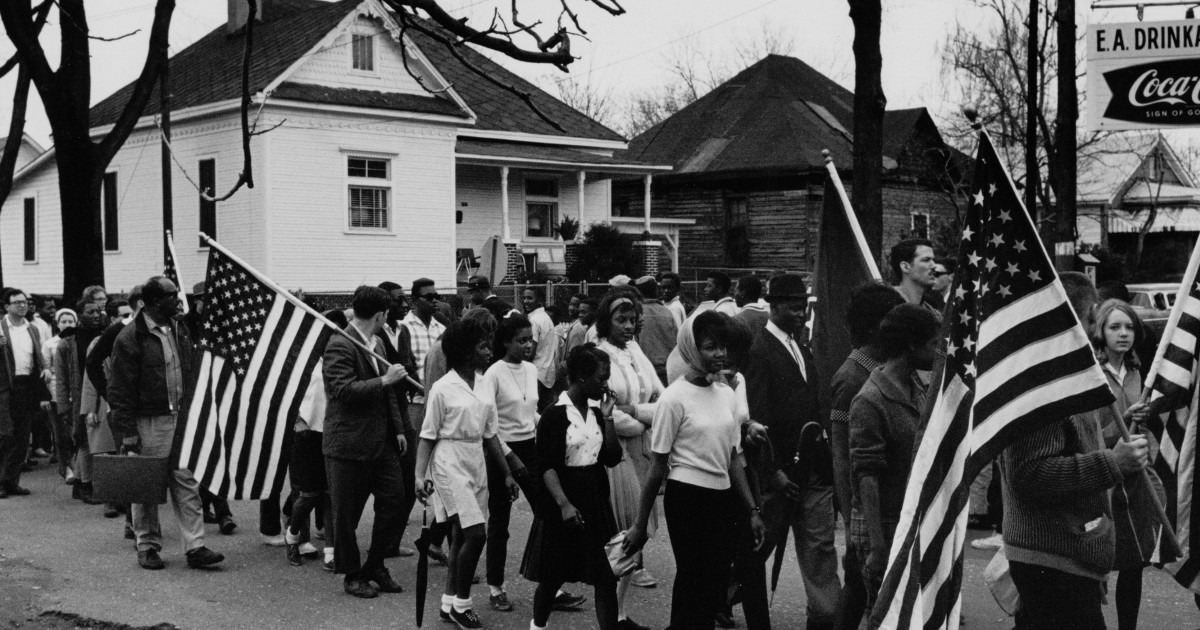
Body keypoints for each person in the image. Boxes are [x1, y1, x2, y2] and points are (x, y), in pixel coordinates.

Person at [1000, 272, 1149, 630]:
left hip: (1065, 556)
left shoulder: (1067, 375)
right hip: (1051, 561)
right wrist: (1113, 462)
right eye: (1089, 321)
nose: (1093, 332)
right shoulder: (1045, 382)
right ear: (1066, 320)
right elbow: (1030, 474)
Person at [625, 311, 766, 630]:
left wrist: (752, 510)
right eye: (711, 347)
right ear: (691, 348)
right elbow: (657, 468)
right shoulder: (673, 399)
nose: (721, 354)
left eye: (723, 347)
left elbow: (732, 459)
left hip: (722, 499)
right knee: (693, 580)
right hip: (686, 500)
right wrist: (638, 525)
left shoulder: (727, 395)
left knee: (716, 584)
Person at [744, 273, 840, 630]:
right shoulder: (759, 350)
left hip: (813, 470)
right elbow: (757, 419)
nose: (800, 313)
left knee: (820, 548)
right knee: (761, 547)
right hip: (779, 475)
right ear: (773, 306)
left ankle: (825, 616)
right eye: (792, 307)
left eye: (803, 306)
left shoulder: (802, 348)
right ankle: (719, 597)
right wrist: (772, 472)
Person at [108, 277, 224, 571]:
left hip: (180, 417)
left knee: (186, 480)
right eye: (173, 296)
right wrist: (128, 434)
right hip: (149, 420)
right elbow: (119, 390)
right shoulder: (131, 337)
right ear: (155, 302)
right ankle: (147, 545)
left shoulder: (178, 327)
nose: (179, 300)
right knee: (146, 483)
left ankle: (195, 546)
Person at [415, 319, 520, 630]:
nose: (489, 350)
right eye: (482, 346)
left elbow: (491, 434)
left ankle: (448, 603)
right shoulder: (442, 388)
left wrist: (507, 473)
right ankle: (463, 605)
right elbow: (428, 435)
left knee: (462, 534)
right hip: (448, 461)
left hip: (476, 459)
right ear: (463, 351)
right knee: (476, 533)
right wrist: (419, 476)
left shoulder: (485, 382)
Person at [521, 344, 623, 630]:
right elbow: (547, 466)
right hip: (564, 500)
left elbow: (612, 458)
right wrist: (564, 504)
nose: (606, 384)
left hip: (594, 497)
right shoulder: (555, 414)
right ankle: (538, 626)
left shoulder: (595, 411)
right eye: (602, 377)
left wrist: (608, 416)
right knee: (553, 575)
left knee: (606, 576)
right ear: (580, 376)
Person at [322, 285, 410, 598]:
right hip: (347, 444)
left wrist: (398, 428)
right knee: (346, 515)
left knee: (395, 500)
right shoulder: (339, 345)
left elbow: (389, 394)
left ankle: (375, 563)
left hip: (382, 441)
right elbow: (341, 391)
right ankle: (351, 573)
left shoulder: (378, 344)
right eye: (387, 314)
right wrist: (385, 379)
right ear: (379, 315)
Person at [849, 304, 939, 608]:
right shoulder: (869, 401)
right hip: (882, 524)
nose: (938, 351)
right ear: (911, 345)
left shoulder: (915, 385)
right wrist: (877, 547)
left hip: (908, 516)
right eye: (934, 344)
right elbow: (866, 476)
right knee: (887, 614)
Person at [828, 282, 903, 630]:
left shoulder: (883, 368)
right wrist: (849, 519)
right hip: (863, 505)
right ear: (875, 327)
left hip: (886, 500)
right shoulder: (852, 377)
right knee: (859, 586)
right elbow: (842, 458)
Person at [1092, 299, 1165, 630]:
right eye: (1114, 327)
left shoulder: (1138, 372)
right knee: (1096, 564)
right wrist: (1123, 419)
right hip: (1101, 479)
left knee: (1134, 564)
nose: (1123, 334)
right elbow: (1090, 437)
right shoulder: (1092, 374)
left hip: (1136, 481)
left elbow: (1147, 432)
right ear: (1100, 331)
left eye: (1129, 327)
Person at [596, 288, 664, 623]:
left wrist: (637, 411)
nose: (628, 325)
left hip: (641, 450)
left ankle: (620, 612)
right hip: (615, 453)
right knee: (623, 529)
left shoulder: (635, 350)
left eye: (632, 319)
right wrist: (640, 421)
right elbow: (606, 409)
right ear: (605, 321)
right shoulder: (598, 353)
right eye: (621, 319)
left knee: (639, 527)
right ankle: (615, 613)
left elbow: (661, 397)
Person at [480, 313, 542, 611]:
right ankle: (495, 587)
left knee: (547, 512)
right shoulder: (493, 373)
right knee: (500, 522)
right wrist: (510, 458)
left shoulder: (531, 369)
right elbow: (488, 425)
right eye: (521, 340)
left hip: (531, 447)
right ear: (506, 342)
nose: (528, 345)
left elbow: (532, 413)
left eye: (531, 339)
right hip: (501, 453)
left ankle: (548, 584)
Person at [376, 280, 420, 558]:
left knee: (410, 479)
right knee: (380, 485)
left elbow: (410, 365)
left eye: (405, 300)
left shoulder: (402, 331)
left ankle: (391, 542)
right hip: (380, 412)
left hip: (403, 408)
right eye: (398, 300)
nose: (404, 305)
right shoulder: (374, 334)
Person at [54, 301, 106, 506]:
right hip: (78, 396)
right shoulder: (67, 343)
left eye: (98, 311)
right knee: (83, 440)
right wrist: (63, 405)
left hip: (99, 392)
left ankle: (78, 481)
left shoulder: (105, 334)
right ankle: (86, 485)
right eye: (89, 312)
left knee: (95, 440)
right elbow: (61, 379)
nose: (95, 315)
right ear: (79, 315)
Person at [0, 288, 49, 499]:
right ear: (6, 306)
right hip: (4, 387)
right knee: (5, 435)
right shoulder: (1, 328)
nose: (23, 305)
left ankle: (11, 481)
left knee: (22, 436)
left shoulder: (33, 328)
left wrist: (44, 368)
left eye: (24, 302)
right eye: (17, 302)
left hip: (27, 386)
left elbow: (36, 355)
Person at [43, 307, 77, 482]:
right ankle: (66, 469)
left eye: (70, 321)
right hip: (56, 393)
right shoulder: (50, 344)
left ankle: (78, 466)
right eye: (63, 321)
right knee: (61, 435)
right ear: (57, 324)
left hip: (76, 393)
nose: (67, 324)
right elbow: (44, 368)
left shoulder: (79, 341)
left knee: (76, 434)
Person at [403, 278, 447, 401]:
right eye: (429, 297)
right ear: (415, 300)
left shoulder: (442, 330)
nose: (434, 300)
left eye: (436, 296)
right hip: (415, 399)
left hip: (440, 398)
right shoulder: (403, 328)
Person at [633, 276, 678, 386]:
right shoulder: (667, 312)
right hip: (669, 370)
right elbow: (677, 341)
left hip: (648, 372)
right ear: (656, 291)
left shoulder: (636, 313)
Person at [522, 287, 559, 411]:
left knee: (532, 412)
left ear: (540, 301)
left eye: (530, 298)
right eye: (524, 298)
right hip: (547, 373)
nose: (526, 301)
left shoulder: (534, 320)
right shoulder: (545, 318)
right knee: (545, 412)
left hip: (536, 374)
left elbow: (530, 352)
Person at [888, 238, 937, 308]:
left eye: (933, 260)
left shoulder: (932, 312)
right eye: (926, 260)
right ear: (905, 267)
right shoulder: (887, 306)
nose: (934, 265)